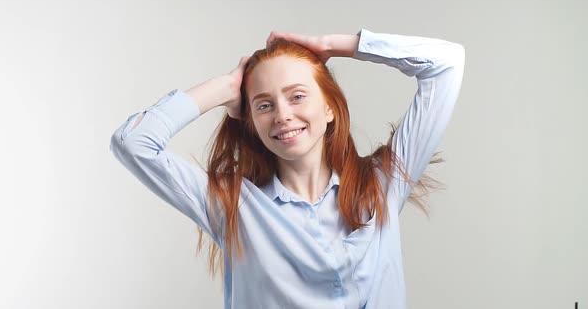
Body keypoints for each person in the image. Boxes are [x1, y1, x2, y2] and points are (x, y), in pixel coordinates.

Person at [110, 28, 465, 309]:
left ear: (329, 109)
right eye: (264, 105)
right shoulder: (231, 205)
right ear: (251, 121)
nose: (282, 115)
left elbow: (446, 63)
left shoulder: (382, 183)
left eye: (297, 96)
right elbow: (133, 141)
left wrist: (331, 45)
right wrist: (226, 86)